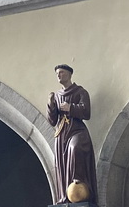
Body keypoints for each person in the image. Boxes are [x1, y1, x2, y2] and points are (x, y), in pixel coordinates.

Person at [46, 64, 97, 204]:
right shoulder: (57, 95)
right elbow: (52, 120)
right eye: (57, 73)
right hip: (61, 133)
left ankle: (78, 181)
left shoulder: (80, 92)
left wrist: (71, 108)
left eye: (61, 72)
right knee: (62, 164)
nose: (58, 75)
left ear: (69, 74)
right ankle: (65, 194)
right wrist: (51, 104)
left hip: (77, 129)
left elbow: (86, 113)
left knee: (75, 148)